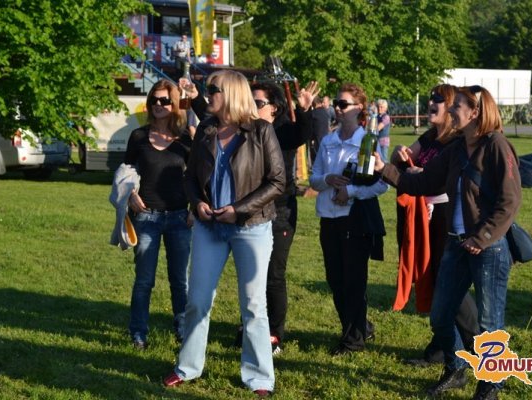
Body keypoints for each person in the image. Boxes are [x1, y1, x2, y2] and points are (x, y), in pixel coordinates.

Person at [374, 85, 521, 400]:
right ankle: (456, 367)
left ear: (475, 112)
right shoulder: (456, 148)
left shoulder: (496, 145)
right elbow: (424, 182)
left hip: (488, 247)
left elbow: (510, 200)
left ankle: (491, 384)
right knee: (440, 315)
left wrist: (482, 237)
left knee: (489, 322)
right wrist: (384, 169)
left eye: (458, 106)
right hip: (456, 245)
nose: (452, 109)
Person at [163, 70, 286, 397]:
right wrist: (198, 204)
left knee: (253, 305)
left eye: (213, 89)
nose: (207, 94)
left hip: (251, 227)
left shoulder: (261, 130)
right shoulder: (206, 128)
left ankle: (260, 377)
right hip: (209, 226)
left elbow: (277, 182)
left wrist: (238, 209)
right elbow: (190, 177)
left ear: (231, 93)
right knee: (198, 300)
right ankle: (187, 367)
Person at [390, 84, 479, 367]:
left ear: (451, 105)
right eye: (431, 97)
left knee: (448, 283)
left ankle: (474, 342)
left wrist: (422, 174)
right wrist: (398, 155)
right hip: (422, 216)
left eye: (439, 99)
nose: (432, 102)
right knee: (437, 282)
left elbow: (446, 180)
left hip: (445, 216)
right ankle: (444, 346)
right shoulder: (429, 137)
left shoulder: (456, 141)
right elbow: (402, 165)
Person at [232, 80, 317, 355]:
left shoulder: (284, 132)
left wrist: (304, 109)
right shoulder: (244, 130)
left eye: (257, 103)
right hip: (250, 212)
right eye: (249, 101)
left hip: (280, 213)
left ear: (274, 108)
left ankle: (273, 334)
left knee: (273, 275)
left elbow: (304, 132)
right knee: (250, 274)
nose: (251, 107)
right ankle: (249, 327)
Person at [309, 83, 389, 356]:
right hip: (328, 217)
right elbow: (314, 178)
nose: (338, 108)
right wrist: (328, 179)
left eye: (343, 104)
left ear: (359, 109)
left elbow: (382, 184)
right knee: (335, 280)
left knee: (353, 282)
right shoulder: (328, 141)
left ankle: (353, 340)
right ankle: (360, 326)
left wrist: (351, 191)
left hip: (354, 220)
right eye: (336, 103)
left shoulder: (367, 142)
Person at [124, 79, 193, 349]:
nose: (158, 105)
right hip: (146, 217)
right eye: (154, 100)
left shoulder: (185, 138)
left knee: (180, 280)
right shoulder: (138, 136)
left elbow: (198, 176)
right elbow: (125, 172)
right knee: (144, 281)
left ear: (174, 104)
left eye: (165, 100)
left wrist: (194, 208)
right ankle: (138, 333)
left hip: (179, 217)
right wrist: (130, 194)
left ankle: (183, 329)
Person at [310, 95, 330, 164]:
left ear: (314, 103)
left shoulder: (313, 113)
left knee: (317, 159)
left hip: (317, 139)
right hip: (325, 137)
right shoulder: (325, 111)